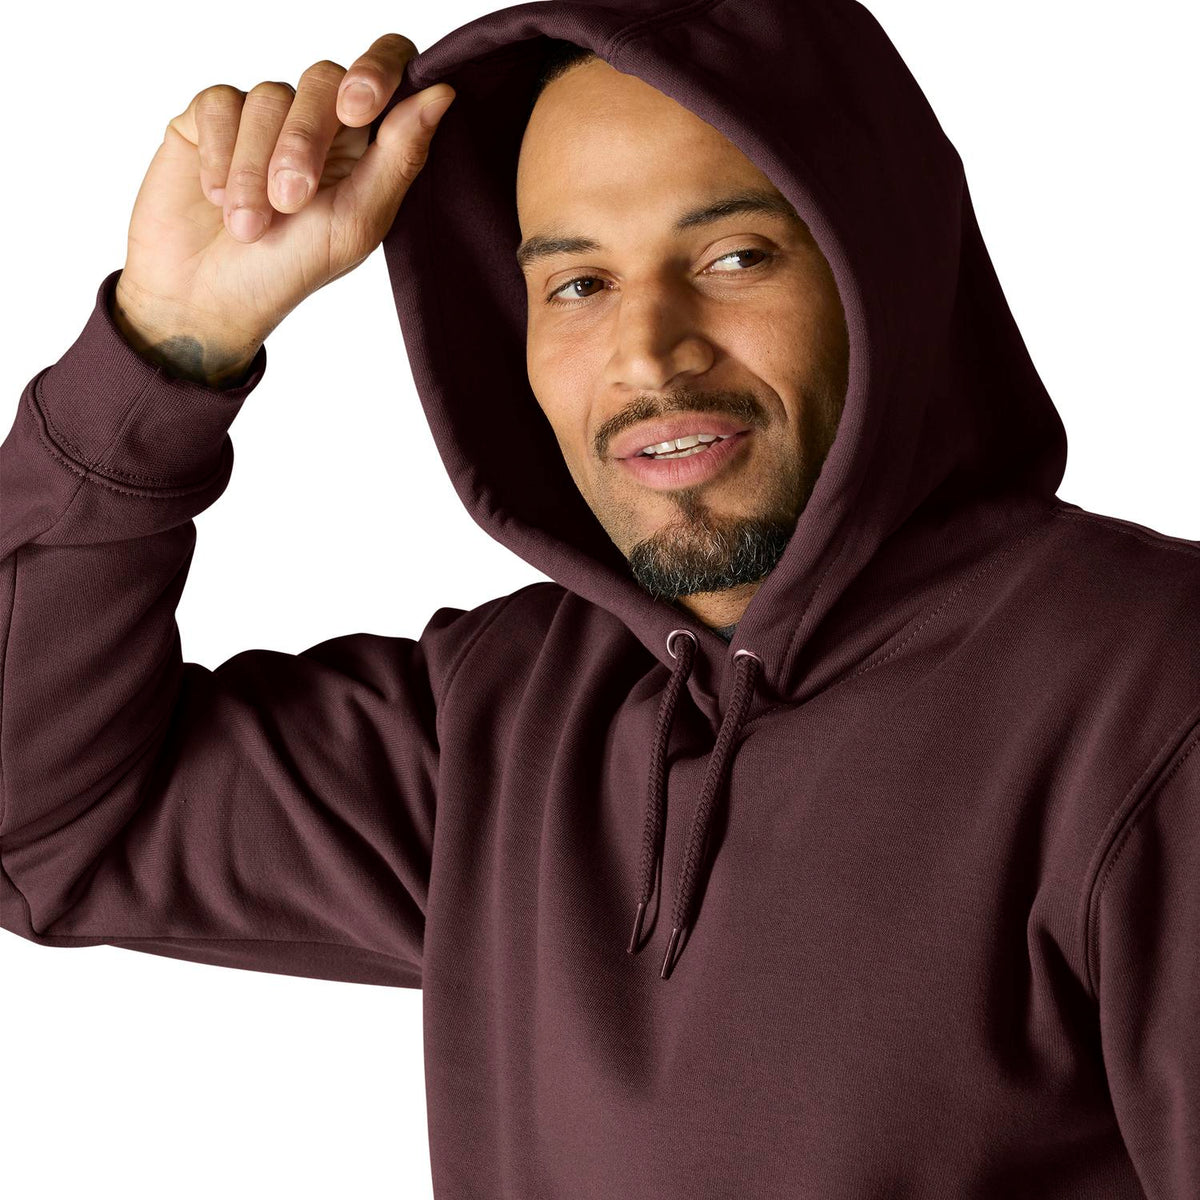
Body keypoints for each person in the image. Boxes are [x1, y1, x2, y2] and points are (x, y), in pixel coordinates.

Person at [2, 1, 1197, 1196]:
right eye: (576, 283)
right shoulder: (508, 719)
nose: (649, 352)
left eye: (734, 258)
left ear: (880, 271)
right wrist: (166, 351)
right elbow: (38, 825)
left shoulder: (1148, 696)